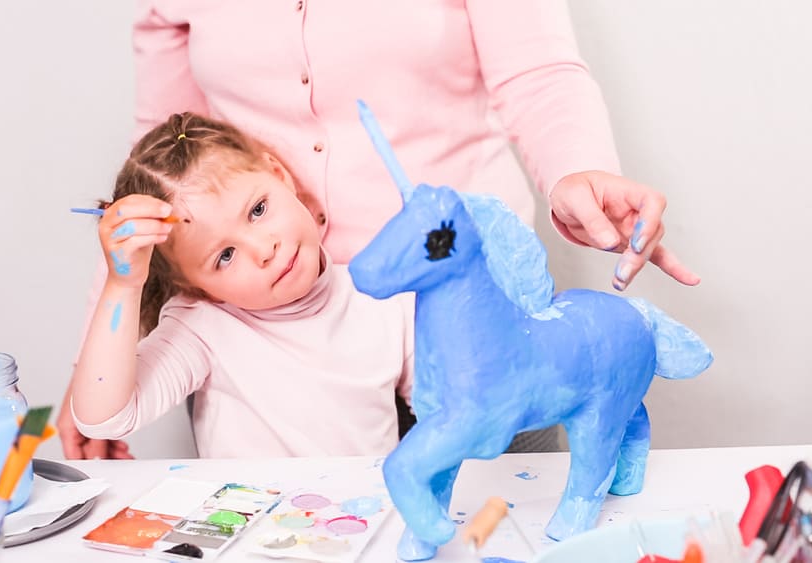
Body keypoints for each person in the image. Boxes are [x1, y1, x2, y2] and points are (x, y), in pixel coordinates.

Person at [60, 0, 701, 459]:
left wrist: (578, 172)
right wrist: (98, 348)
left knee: (501, 516)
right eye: (233, 246)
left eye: (258, 213)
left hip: (468, 312)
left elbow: (537, 74)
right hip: (265, 349)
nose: (262, 243)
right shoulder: (208, 337)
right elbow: (157, 167)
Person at [70, 112, 414, 458]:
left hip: (371, 510)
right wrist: (123, 286)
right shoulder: (202, 327)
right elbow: (102, 419)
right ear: (192, 285)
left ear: (278, 175)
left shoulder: (389, 303)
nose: (264, 249)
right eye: (225, 256)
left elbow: (454, 418)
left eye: (258, 210)